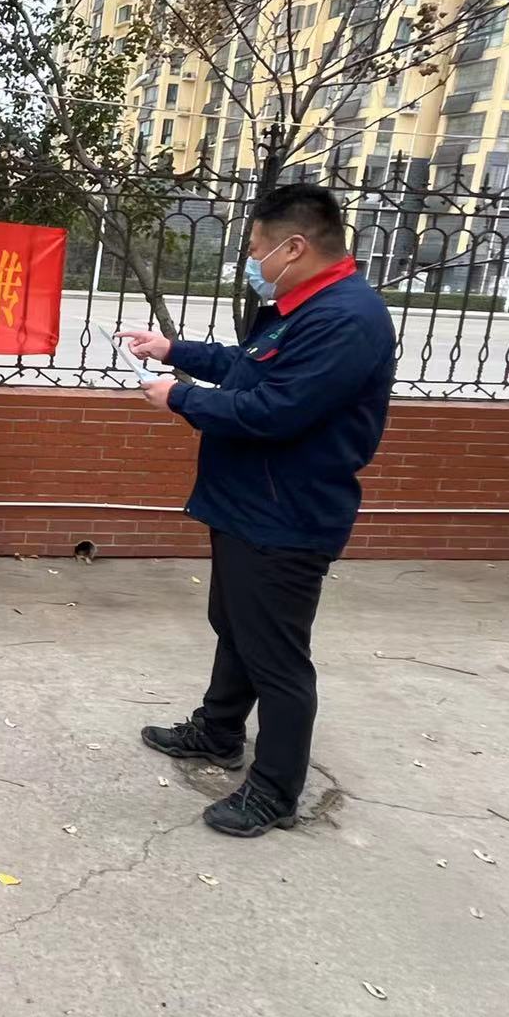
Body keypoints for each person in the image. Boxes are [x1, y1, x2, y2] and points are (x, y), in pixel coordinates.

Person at [119, 183, 395, 837]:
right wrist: (173, 351)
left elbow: (275, 411)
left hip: (287, 515)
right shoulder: (303, 308)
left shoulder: (346, 319)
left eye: (255, 249)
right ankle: (218, 731)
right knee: (237, 625)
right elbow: (247, 368)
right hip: (249, 503)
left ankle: (274, 790)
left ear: (293, 247)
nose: (251, 261)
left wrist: (179, 399)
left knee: (276, 656)